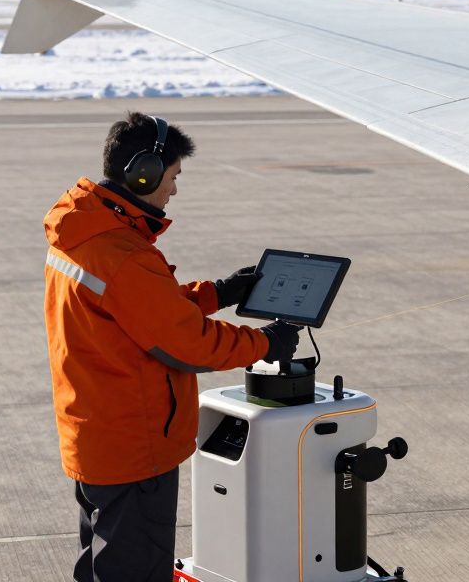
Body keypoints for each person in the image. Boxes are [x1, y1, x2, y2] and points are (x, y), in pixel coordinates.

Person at [43, 112, 299, 582]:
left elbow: (140, 310)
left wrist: (217, 293)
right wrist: (264, 343)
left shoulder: (84, 230)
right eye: (173, 176)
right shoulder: (122, 254)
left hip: (95, 435)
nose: (175, 190)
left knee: (101, 569)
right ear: (144, 173)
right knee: (135, 572)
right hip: (134, 447)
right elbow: (187, 344)